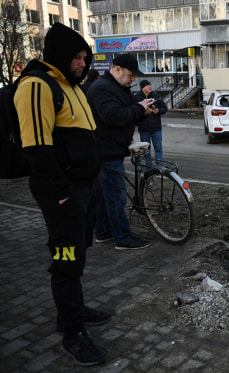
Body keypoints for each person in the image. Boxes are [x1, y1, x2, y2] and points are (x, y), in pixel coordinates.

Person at [13, 22, 109, 366]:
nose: (83, 63)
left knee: (77, 254)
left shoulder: (69, 85)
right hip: (65, 196)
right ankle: (72, 333)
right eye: (78, 57)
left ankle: (76, 309)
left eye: (86, 57)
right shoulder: (37, 85)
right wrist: (62, 194)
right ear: (61, 55)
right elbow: (37, 148)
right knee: (66, 261)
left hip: (85, 189)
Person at [87, 54, 156, 250]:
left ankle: (103, 232)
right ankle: (123, 239)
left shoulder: (116, 87)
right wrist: (138, 109)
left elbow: (126, 115)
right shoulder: (102, 88)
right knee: (116, 196)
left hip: (109, 148)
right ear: (117, 69)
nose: (133, 79)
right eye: (130, 75)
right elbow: (112, 116)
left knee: (104, 195)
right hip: (106, 151)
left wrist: (142, 112)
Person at [134, 80, 168, 161]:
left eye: (150, 85)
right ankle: (148, 168)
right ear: (142, 88)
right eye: (147, 85)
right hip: (143, 128)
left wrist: (158, 111)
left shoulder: (156, 97)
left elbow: (164, 108)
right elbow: (134, 111)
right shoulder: (136, 98)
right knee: (146, 150)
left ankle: (159, 166)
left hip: (156, 128)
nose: (150, 87)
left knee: (158, 148)